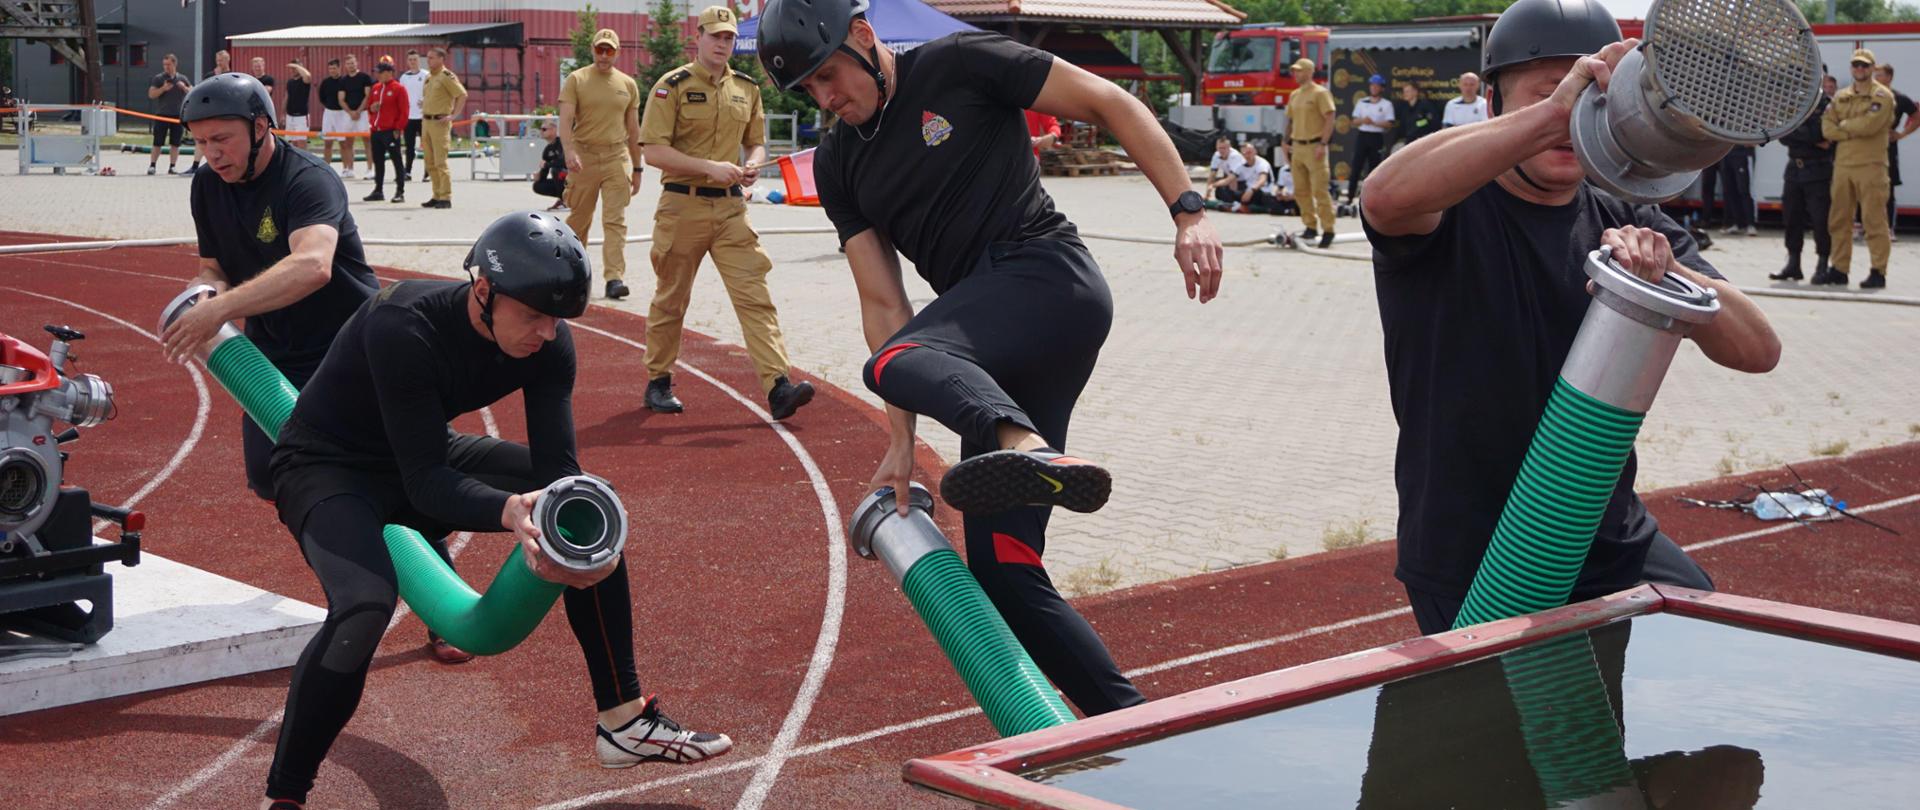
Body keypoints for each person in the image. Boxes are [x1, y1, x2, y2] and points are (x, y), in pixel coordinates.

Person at [758, 0, 1224, 717]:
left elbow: (1111, 101)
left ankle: (1024, 445)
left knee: (891, 363)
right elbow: (885, 306)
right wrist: (902, 441)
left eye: (829, 77)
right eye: (809, 92)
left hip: (1049, 280)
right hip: (986, 345)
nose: (826, 99)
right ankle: (1134, 728)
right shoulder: (838, 158)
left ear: (862, 34)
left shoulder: (961, 62)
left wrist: (1188, 211)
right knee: (1004, 574)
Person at [253, 210, 733, 808]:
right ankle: (287, 796)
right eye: (532, 315)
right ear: (483, 291)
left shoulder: (551, 343)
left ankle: (623, 718)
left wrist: (557, 521)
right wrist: (511, 511)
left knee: (585, 505)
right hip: (328, 466)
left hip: (422, 452)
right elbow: (427, 485)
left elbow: (556, 471)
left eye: (557, 318)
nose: (547, 333)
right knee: (362, 609)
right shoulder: (402, 323)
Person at [1358, 0, 1779, 635]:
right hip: (1477, 548)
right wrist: (1557, 113)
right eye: (1549, 94)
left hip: (1604, 530)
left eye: (1594, 98)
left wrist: (1671, 277)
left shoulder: (1629, 218)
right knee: (1483, 727)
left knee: (1697, 643)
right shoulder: (1448, 208)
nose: (1576, 114)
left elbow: (1758, 350)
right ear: (1499, 106)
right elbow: (1384, 197)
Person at [163, 73, 478, 665]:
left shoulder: (308, 180)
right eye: (200, 142)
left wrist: (224, 308)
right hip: (275, 356)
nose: (210, 154)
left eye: (222, 140)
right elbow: (212, 266)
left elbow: (313, 266)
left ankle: (440, 605)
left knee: (394, 475)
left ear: (261, 128)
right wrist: (203, 294)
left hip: (350, 350)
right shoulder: (207, 184)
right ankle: (362, 551)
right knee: (269, 477)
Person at [639, 6, 814, 419]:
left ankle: (777, 386)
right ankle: (659, 380)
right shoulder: (672, 86)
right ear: (697, 37)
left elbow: (756, 141)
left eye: (729, 38)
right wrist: (708, 167)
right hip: (683, 207)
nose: (722, 44)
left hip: (732, 209)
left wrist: (752, 163)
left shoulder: (746, 88)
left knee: (755, 297)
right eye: (715, 36)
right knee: (671, 299)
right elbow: (653, 151)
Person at [559, 28, 644, 301]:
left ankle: (614, 278)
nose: (604, 55)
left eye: (609, 50)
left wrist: (637, 167)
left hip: (616, 157)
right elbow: (565, 120)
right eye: (600, 49)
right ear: (592, 50)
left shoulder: (628, 84)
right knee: (579, 219)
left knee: (615, 221)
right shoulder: (577, 79)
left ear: (617, 53)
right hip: (584, 156)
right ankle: (572, 274)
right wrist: (569, 151)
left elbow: (634, 130)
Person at [1822, 49, 1895, 289]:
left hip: (1871, 166)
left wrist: (1843, 127)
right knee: (1839, 220)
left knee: (1873, 220)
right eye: (1856, 65)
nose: (1860, 70)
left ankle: (1878, 270)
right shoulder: (1842, 96)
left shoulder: (1882, 95)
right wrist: (1848, 128)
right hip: (1843, 166)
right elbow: (1827, 128)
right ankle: (1840, 269)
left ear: (1872, 68)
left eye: (1864, 66)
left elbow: (1870, 125)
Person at [1772, 75, 1833, 282]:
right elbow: (1782, 134)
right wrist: (1809, 137)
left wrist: (1798, 131)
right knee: (1791, 217)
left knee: (1820, 219)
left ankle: (1823, 263)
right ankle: (1793, 263)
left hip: (1818, 169)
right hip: (1794, 169)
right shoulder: (1794, 102)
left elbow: (1820, 133)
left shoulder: (1826, 103)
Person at [1285, 58, 1337, 246]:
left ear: (1309, 72)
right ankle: (1310, 226)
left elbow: (1330, 117)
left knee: (1319, 190)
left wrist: (1323, 143)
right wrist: (1285, 141)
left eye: (1299, 71)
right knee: (1300, 190)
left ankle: (1328, 229)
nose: (1296, 74)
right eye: (1295, 71)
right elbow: (1290, 120)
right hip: (1297, 145)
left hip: (1315, 145)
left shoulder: (1320, 93)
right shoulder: (1295, 94)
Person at [420, 46, 468, 209]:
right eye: (428, 57)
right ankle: (436, 194)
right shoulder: (429, 77)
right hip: (426, 121)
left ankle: (445, 197)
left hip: (439, 122)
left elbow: (462, 94)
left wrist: (453, 115)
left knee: (441, 161)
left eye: (432, 57)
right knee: (430, 161)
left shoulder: (447, 76)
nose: (429, 60)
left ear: (441, 59)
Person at [1875, 63, 1916, 238]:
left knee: (1888, 188)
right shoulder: (1867, 96)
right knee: (1863, 184)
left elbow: (1916, 115)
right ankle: (1861, 224)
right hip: (1866, 147)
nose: (1876, 78)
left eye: (1880, 74)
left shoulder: (1899, 98)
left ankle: (1888, 228)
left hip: (1887, 147)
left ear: (1890, 77)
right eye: (1875, 74)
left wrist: (1902, 134)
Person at [364, 62, 409, 203]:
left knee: (396, 161)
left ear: (389, 72)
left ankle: (400, 191)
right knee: (378, 161)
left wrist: (398, 128)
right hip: (376, 130)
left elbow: (404, 111)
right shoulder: (376, 88)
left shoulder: (399, 88)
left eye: (380, 72)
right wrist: (372, 108)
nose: (378, 75)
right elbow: (369, 107)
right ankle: (378, 190)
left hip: (390, 131)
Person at [1347, 74, 1395, 204]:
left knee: (1374, 169)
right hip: (1362, 136)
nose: (1374, 88)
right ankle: (1350, 197)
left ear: (1382, 88)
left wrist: (1374, 123)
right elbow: (1354, 120)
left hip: (1376, 137)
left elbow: (1389, 123)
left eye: (1377, 86)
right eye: (1372, 85)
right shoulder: (1362, 102)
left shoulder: (1386, 104)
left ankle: (1370, 199)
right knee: (1356, 166)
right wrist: (1363, 120)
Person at [146, 54, 191, 175]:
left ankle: (172, 166)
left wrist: (184, 88)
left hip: (177, 116)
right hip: (162, 114)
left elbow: (192, 92)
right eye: (164, 65)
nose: (166, 67)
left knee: (175, 143)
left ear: (175, 64)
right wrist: (163, 89)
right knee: (157, 142)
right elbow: (151, 94)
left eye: (169, 65)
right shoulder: (159, 78)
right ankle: (152, 165)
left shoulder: (182, 78)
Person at [334, 54, 375, 179]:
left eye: (352, 63)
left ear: (356, 63)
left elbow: (367, 96)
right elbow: (341, 99)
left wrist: (358, 111)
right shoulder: (343, 80)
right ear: (345, 66)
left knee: (367, 141)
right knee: (347, 142)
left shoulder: (364, 77)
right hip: (348, 114)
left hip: (362, 113)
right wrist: (350, 112)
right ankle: (350, 169)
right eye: (348, 64)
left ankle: (370, 169)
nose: (351, 65)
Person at [400, 50, 428, 182]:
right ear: (407, 61)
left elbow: (432, 92)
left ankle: (427, 172)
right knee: (409, 146)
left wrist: (425, 100)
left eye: (415, 59)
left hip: (423, 116)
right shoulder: (404, 77)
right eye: (410, 60)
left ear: (419, 60)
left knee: (427, 145)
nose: (412, 62)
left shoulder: (426, 75)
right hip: (409, 117)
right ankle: (408, 171)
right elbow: (401, 96)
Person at [317, 60, 347, 173]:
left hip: (342, 114)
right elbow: (322, 97)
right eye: (330, 69)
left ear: (339, 68)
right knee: (328, 142)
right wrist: (329, 106)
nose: (332, 71)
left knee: (343, 143)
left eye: (334, 68)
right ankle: (326, 168)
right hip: (329, 113)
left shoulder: (344, 81)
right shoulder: (325, 82)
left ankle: (346, 169)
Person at [1717, 145, 1755, 236]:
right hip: (1725, 155)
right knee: (1729, 190)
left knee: (1744, 190)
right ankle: (1738, 224)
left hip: (1742, 154)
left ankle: (1751, 225)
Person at [1390, 82, 1439, 151]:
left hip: (1423, 142)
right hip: (1407, 142)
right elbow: (1402, 127)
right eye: (1404, 92)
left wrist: (1418, 124)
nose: (1405, 94)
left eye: (1407, 91)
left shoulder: (1425, 105)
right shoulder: (1404, 108)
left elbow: (1431, 122)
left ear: (1415, 92)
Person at [534, 119, 569, 209]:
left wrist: (547, 164)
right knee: (538, 186)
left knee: (557, 171)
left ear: (553, 130)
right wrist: (539, 176)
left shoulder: (562, 143)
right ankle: (563, 199)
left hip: (573, 177)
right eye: (541, 129)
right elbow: (545, 171)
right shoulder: (547, 150)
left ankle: (567, 201)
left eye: (544, 129)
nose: (541, 132)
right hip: (562, 178)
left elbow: (563, 161)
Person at [1232, 141, 1277, 211]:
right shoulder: (1241, 164)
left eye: (1249, 152)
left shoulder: (1262, 163)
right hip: (1247, 189)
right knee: (1224, 190)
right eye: (1244, 154)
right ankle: (1237, 204)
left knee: (1259, 195)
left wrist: (1251, 190)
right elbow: (1232, 178)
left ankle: (1243, 206)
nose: (1247, 156)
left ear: (1255, 151)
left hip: (1262, 190)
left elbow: (1262, 180)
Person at [1205, 136, 1247, 204]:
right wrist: (1207, 192)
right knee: (1219, 192)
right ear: (1216, 147)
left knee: (1231, 182)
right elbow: (1212, 174)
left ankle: (1234, 200)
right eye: (1220, 148)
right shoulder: (1216, 155)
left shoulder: (1235, 156)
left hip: (1244, 182)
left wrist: (1213, 185)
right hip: (1232, 179)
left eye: (1224, 148)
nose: (1221, 150)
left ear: (1229, 147)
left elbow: (1231, 178)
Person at [284, 60, 312, 148]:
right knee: (292, 143)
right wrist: (283, 114)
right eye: (291, 69)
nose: (293, 70)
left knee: (301, 143)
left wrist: (298, 66)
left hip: (302, 117)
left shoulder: (304, 81)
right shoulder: (290, 82)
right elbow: (286, 97)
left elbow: (307, 76)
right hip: (290, 116)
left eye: (295, 68)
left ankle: (302, 162)